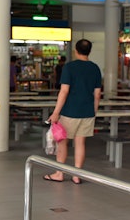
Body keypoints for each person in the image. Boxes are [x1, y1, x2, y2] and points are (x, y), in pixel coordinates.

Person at [44, 39, 102, 184]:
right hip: (87, 111)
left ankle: (59, 173)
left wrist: (56, 112)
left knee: (62, 142)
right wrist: (93, 110)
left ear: (76, 51)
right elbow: (97, 94)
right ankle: (76, 175)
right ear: (89, 51)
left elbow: (64, 91)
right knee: (80, 143)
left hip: (70, 111)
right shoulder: (95, 68)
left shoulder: (69, 67)